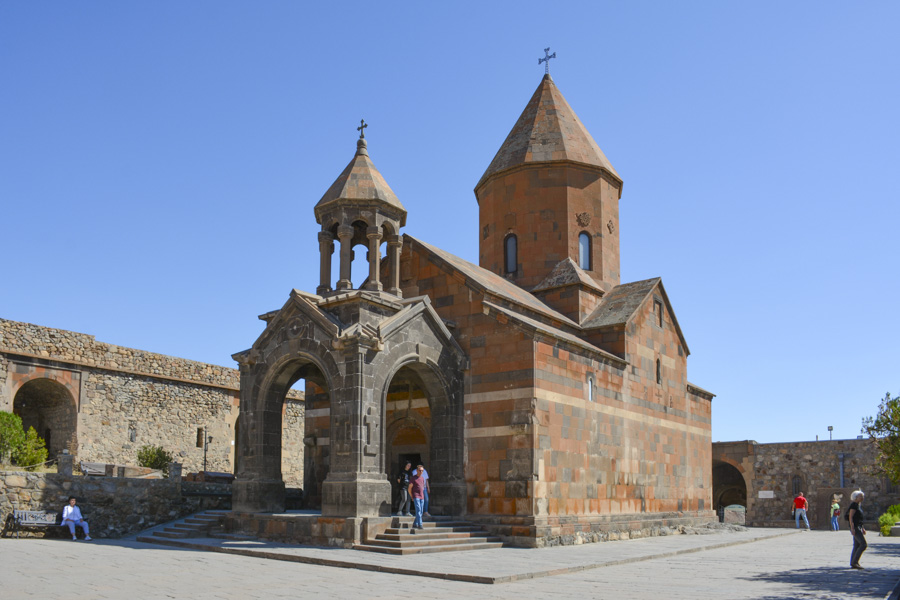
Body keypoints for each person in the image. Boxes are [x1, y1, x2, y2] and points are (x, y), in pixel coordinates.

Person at [847, 490, 867, 569]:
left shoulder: (858, 505)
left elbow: (859, 518)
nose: (862, 498)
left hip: (858, 526)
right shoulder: (854, 505)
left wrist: (862, 527)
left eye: (862, 496)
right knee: (863, 544)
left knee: (857, 545)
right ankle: (855, 562)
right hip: (855, 527)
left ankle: (853, 562)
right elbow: (851, 517)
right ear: (856, 497)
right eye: (860, 496)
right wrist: (852, 528)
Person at [408, 464, 427, 530]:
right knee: (418, 510)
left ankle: (415, 523)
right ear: (417, 470)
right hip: (416, 496)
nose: (421, 472)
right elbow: (409, 488)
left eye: (422, 470)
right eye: (420, 470)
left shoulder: (422, 478)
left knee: (421, 511)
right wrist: (412, 496)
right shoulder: (413, 478)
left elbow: (423, 487)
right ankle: (420, 524)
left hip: (422, 496)